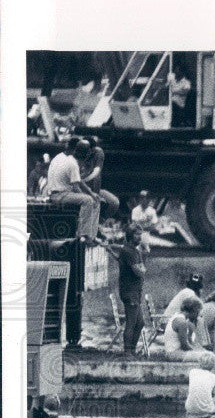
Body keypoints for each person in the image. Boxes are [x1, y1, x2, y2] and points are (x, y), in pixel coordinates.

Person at [102, 224, 146, 356]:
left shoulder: (134, 251)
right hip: (130, 291)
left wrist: (142, 268)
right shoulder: (128, 251)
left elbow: (140, 268)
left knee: (140, 323)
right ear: (131, 235)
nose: (140, 237)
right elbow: (139, 272)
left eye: (140, 234)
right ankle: (128, 352)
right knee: (132, 322)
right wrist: (142, 269)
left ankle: (131, 350)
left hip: (135, 292)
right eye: (137, 234)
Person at [47, 138, 100, 242]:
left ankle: (92, 235)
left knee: (91, 199)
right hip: (60, 195)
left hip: (57, 193)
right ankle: (84, 235)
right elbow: (76, 187)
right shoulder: (73, 164)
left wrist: (91, 193)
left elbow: (78, 180)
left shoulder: (67, 159)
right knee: (88, 201)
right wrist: (88, 197)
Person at [164, 298, 215, 364]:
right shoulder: (182, 322)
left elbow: (189, 341)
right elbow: (185, 346)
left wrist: (200, 349)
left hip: (175, 352)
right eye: (197, 312)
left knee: (207, 354)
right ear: (193, 311)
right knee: (210, 357)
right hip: (174, 354)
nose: (198, 316)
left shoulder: (178, 317)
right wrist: (198, 351)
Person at [80, 136, 119, 220]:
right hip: (79, 190)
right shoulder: (77, 156)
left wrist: (96, 195)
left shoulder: (97, 152)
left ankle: (101, 221)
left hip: (93, 190)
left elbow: (97, 176)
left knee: (114, 202)